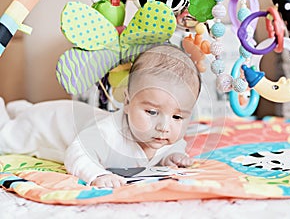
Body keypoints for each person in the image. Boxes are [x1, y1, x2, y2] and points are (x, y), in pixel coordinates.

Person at [0, 45, 201, 188]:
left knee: (26, 113)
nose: (164, 127)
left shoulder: (163, 138)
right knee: (6, 138)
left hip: (70, 114)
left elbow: (173, 146)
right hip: (46, 125)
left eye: (177, 117)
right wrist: (97, 174)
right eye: (152, 112)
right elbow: (77, 154)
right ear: (128, 103)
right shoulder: (107, 133)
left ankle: (21, 109)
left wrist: (171, 157)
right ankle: (13, 111)